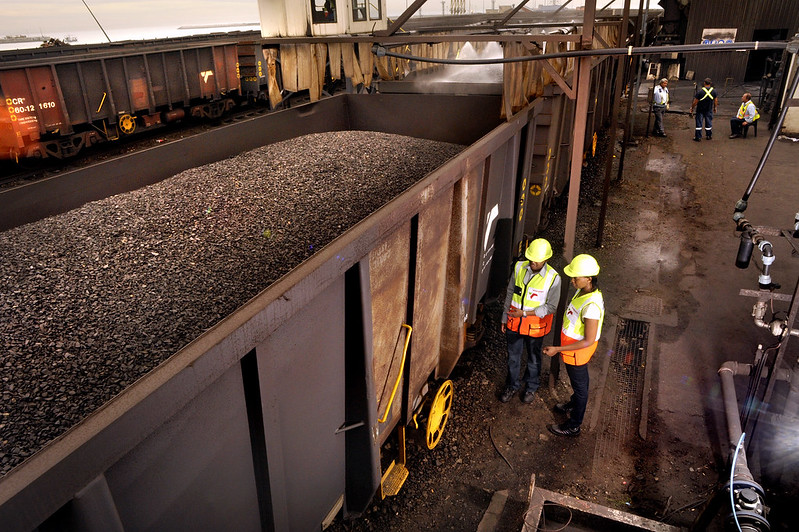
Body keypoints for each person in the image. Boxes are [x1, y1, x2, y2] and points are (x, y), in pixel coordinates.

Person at [543, 254, 605, 437]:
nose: (572, 281)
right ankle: (573, 403)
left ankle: (574, 425)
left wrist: (557, 349)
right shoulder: (585, 290)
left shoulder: (591, 306)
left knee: (580, 389)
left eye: (575, 278)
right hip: (572, 352)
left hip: (577, 354)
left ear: (589, 279)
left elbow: (588, 339)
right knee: (579, 385)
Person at [500, 238, 561, 404]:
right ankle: (512, 385)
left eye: (537, 259)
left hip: (535, 327)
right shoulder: (519, 267)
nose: (533, 262)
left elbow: (551, 307)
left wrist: (525, 314)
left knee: (534, 359)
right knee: (513, 357)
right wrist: (505, 316)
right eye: (531, 258)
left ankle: (531, 387)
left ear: (546, 259)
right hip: (514, 323)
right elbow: (511, 292)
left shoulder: (553, 278)